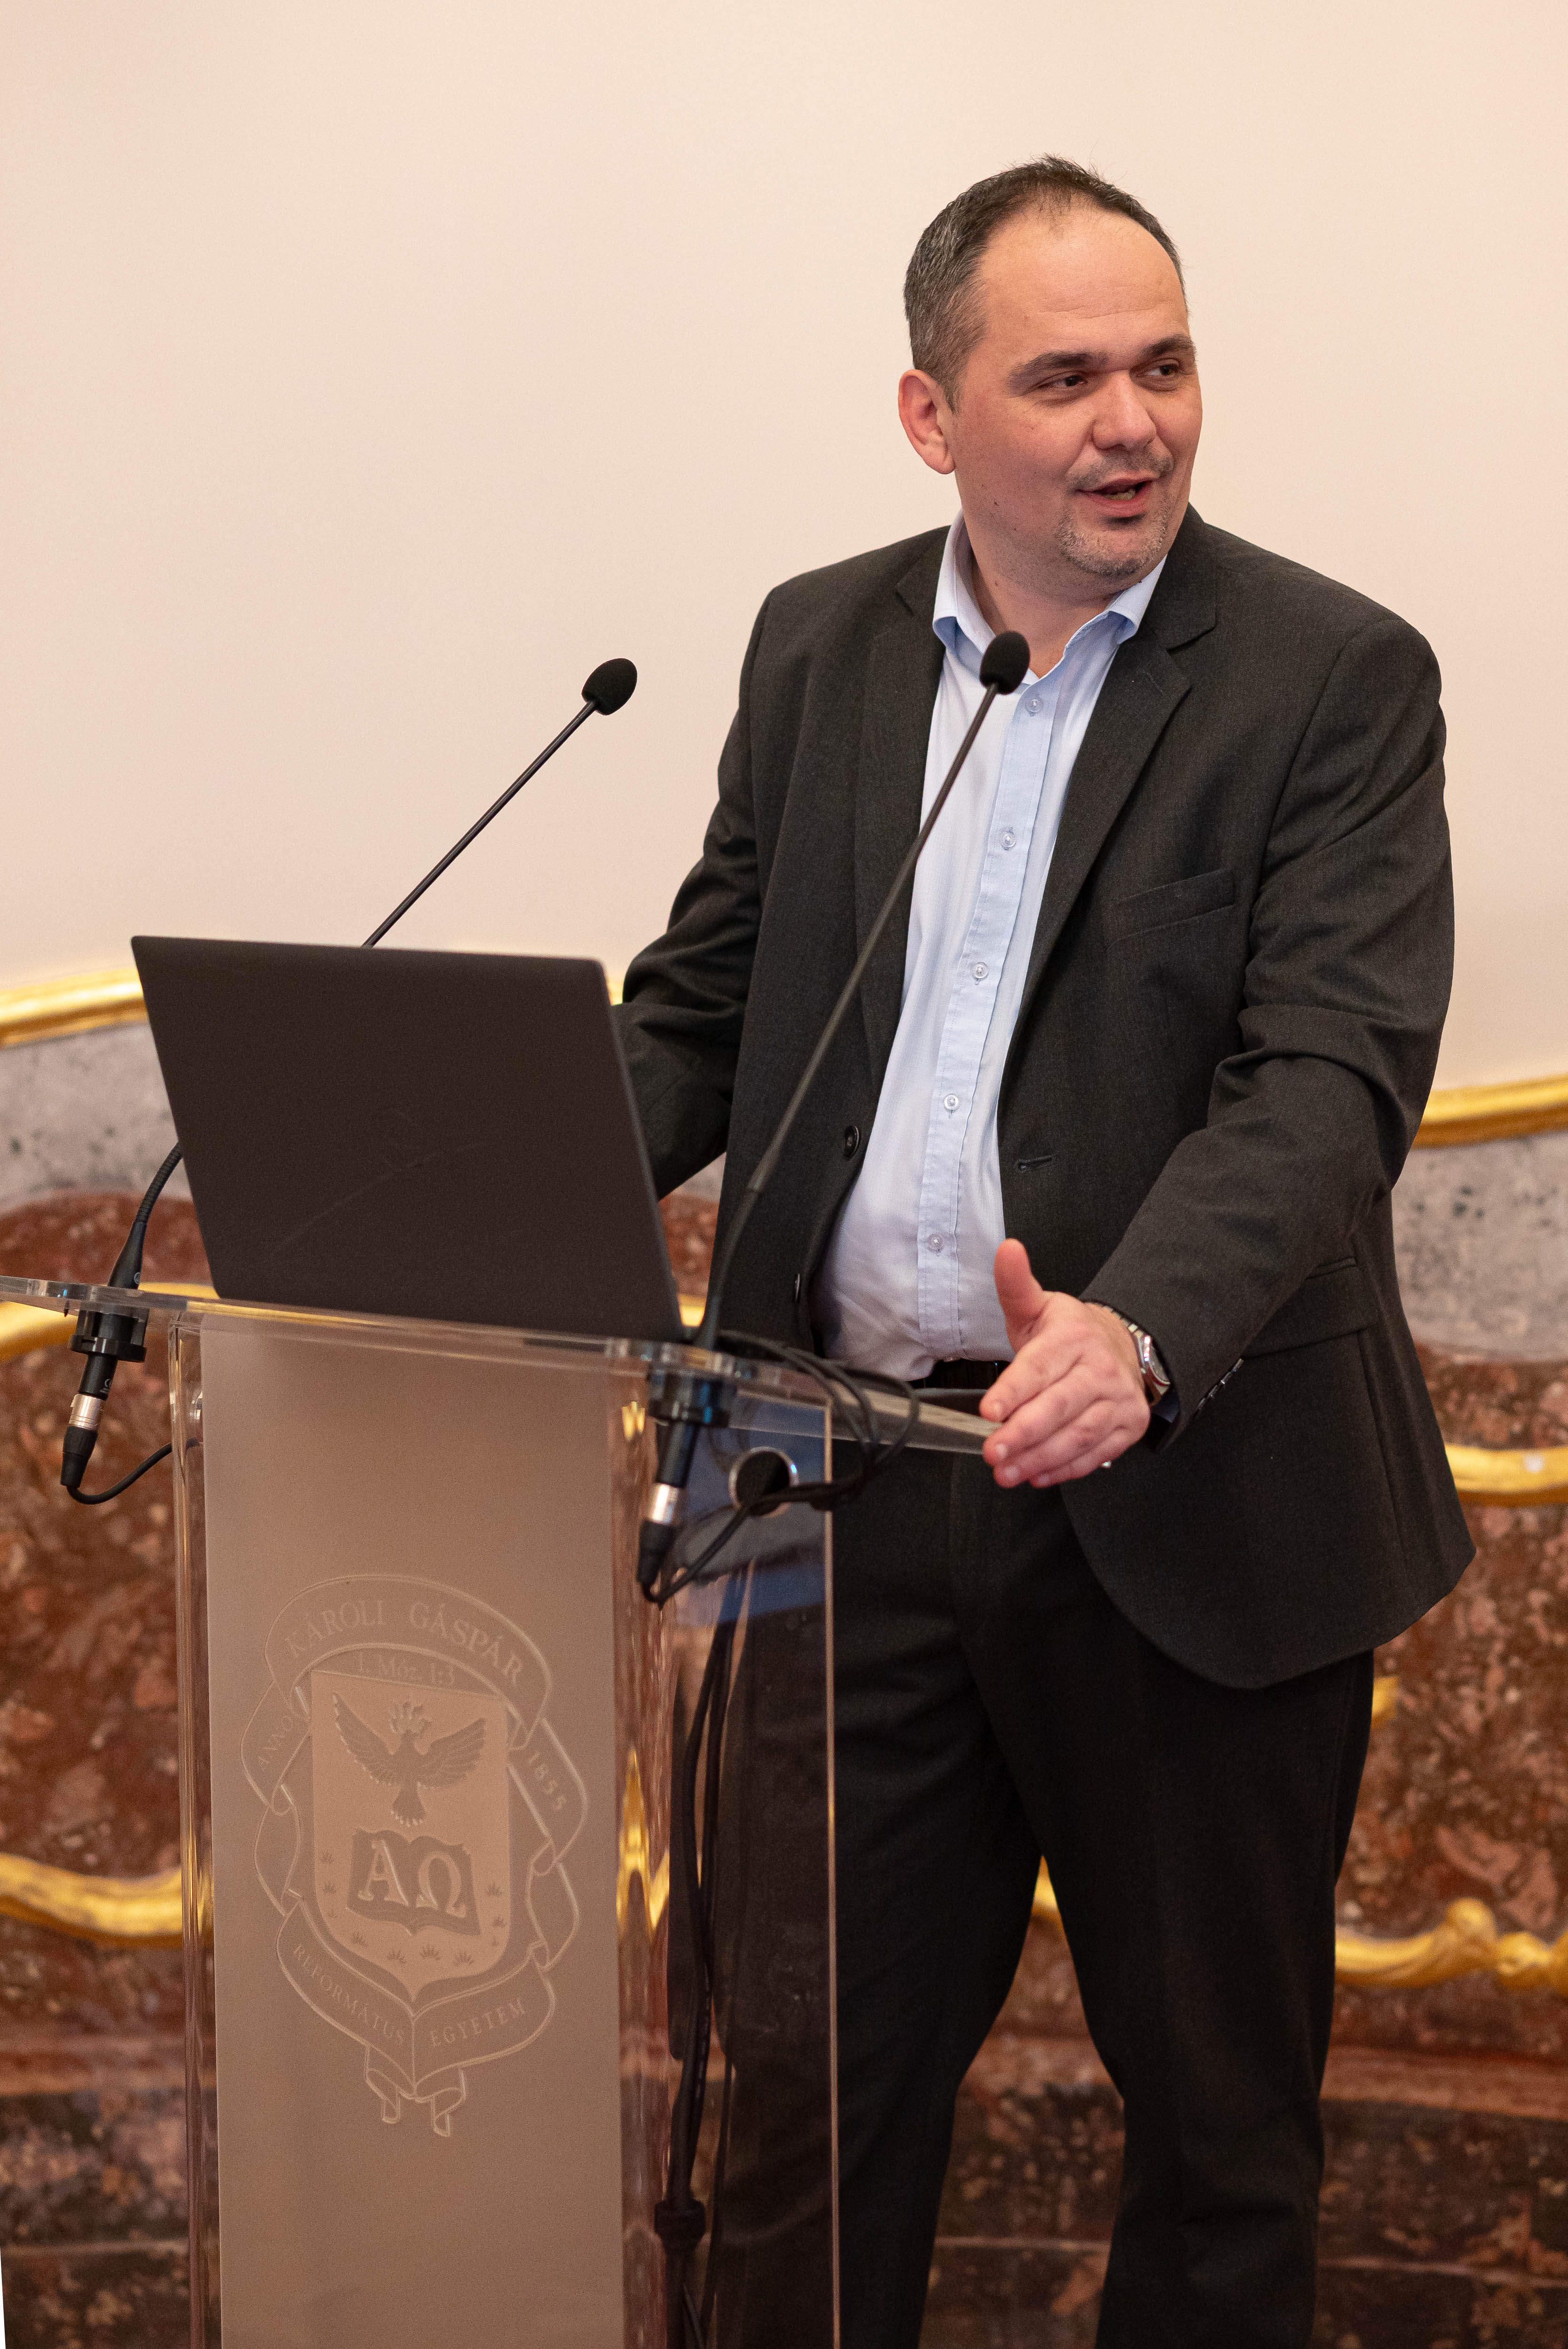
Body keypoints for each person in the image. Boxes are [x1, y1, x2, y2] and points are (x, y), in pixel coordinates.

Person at [615, 157, 1473, 2349]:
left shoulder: (1331, 676)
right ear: (931, 415)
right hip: (842, 1499)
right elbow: (710, 1005)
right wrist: (470, 1193)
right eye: (1066, 375)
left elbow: (1328, 1072)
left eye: (1165, 365)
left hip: (1188, 1501)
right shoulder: (820, 645)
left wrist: (1141, 1333)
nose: (1133, 420)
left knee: (1219, 2142)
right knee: (805, 2114)